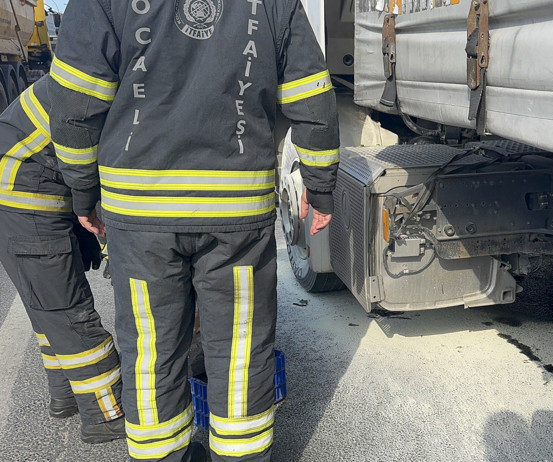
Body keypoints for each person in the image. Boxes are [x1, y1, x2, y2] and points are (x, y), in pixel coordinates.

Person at [49, 1, 340, 460]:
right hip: (236, 213)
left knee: (150, 351)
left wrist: (83, 193)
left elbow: (73, 101)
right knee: (241, 347)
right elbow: (311, 92)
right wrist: (322, 188)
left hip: (141, 213)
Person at [0, 77, 126, 443]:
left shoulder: (91, 75)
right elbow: (107, 181)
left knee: (48, 308)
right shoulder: (110, 91)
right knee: (69, 312)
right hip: (28, 197)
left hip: (25, 189)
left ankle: (66, 394)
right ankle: (106, 414)